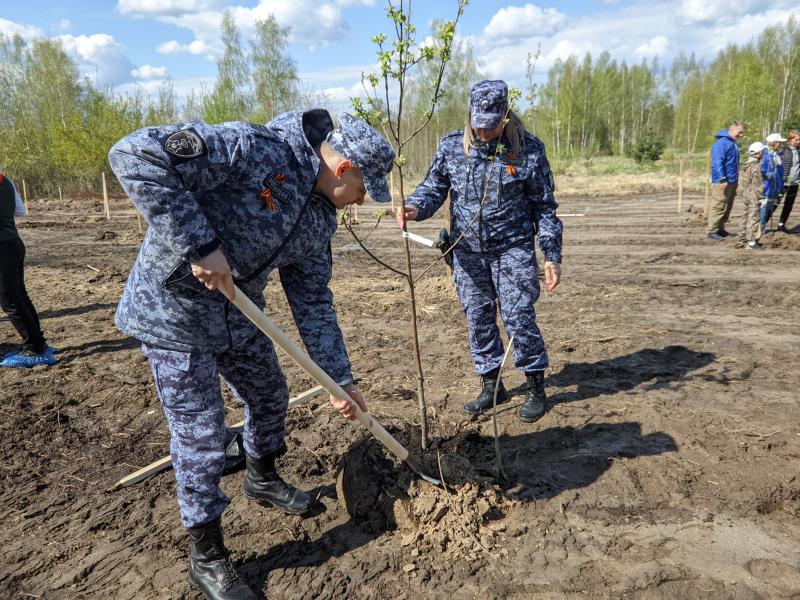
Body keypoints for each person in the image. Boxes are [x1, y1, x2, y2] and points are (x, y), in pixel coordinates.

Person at [109, 109, 394, 600]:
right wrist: (201, 244)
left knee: (269, 395)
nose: (362, 203)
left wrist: (339, 379)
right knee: (200, 434)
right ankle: (209, 554)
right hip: (172, 312)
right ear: (344, 169)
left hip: (239, 315)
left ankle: (261, 476)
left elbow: (314, 304)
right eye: (366, 191)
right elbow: (134, 154)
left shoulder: (319, 221)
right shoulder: (252, 148)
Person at [397, 80, 562, 424]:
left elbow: (544, 208)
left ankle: (534, 386)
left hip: (512, 250)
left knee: (518, 317)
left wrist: (551, 255)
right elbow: (433, 188)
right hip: (467, 251)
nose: (483, 132)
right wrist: (413, 207)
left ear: (504, 116)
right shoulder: (451, 147)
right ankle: (491, 385)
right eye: (478, 124)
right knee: (479, 317)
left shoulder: (528, 150)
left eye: (491, 125)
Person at [0, 168, 57, 368]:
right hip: (13, 243)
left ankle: (35, 349)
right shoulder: (6, 181)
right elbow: (20, 211)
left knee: (10, 301)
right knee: (20, 297)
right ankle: (40, 343)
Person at [708, 120, 745, 241]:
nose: (741, 135)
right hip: (723, 181)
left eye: (742, 133)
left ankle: (720, 228)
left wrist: (735, 181)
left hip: (732, 180)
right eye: (739, 132)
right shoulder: (722, 143)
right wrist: (722, 178)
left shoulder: (733, 143)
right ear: (732, 130)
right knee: (719, 204)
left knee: (727, 206)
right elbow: (717, 162)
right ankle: (712, 231)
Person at [739, 142, 767, 250]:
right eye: (763, 151)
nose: (764, 153)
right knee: (753, 217)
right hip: (753, 194)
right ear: (759, 152)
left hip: (746, 193)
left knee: (744, 216)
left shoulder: (747, 163)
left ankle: (741, 239)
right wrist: (761, 197)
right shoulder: (756, 165)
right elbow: (757, 183)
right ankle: (751, 242)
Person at [775, 129, 800, 233]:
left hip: (794, 182)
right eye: (797, 140)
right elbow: (775, 160)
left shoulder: (798, 151)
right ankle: (761, 223)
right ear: (790, 139)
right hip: (783, 182)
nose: (798, 142)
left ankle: (781, 224)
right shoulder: (783, 149)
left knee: (788, 205)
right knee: (775, 203)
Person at [761, 133, 785, 235]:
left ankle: (761, 229)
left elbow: (779, 173)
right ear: (773, 143)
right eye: (779, 142)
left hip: (774, 187)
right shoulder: (766, 155)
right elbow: (763, 172)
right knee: (764, 208)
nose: (780, 144)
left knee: (768, 208)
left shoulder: (776, 155)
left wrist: (779, 187)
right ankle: (759, 229)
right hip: (767, 188)